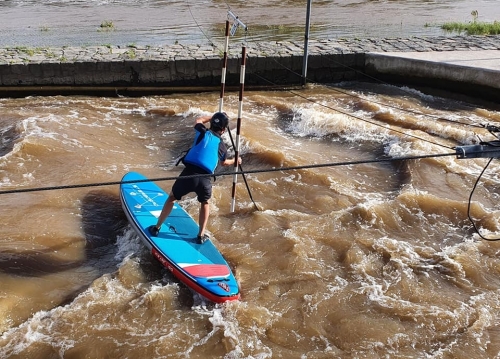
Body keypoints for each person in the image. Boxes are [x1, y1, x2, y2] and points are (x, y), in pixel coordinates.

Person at [148, 112, 242, 244]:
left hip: (188, 174)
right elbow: (224, 163)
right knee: (205, 203)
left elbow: (198, 119)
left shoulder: (202, 131)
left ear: (211, 124)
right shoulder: (221, 146)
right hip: (205, 180)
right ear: (224, 130)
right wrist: (235, 160)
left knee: (171, 198)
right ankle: (200, 235)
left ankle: (156, 228)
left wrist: (213, 117)